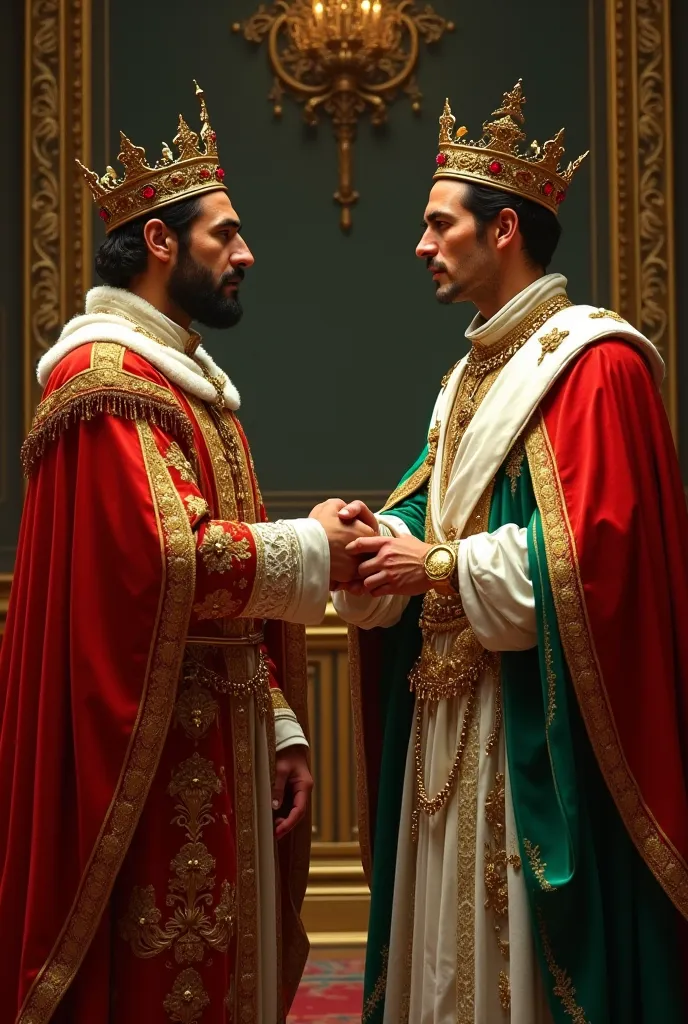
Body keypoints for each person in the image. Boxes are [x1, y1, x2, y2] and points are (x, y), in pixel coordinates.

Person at [0, 82, 371, 1024]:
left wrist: (281, 724)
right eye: (225, 235)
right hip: (146, 758)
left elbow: (216, 595)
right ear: (160, 243)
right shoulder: (105, 385)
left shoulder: (184, 386)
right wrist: (311, 544)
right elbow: (165, 565)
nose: (246, 254)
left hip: (215, 738)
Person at [331, 81, 688, 1023]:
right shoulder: (467, 373)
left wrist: (440, 569)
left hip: (524, 723)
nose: (419, 245)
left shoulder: (594, 364)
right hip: (444, 721)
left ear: (502, 230)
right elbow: (436, 515)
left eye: (438, 223)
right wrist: (382, 537)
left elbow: (597, 562)